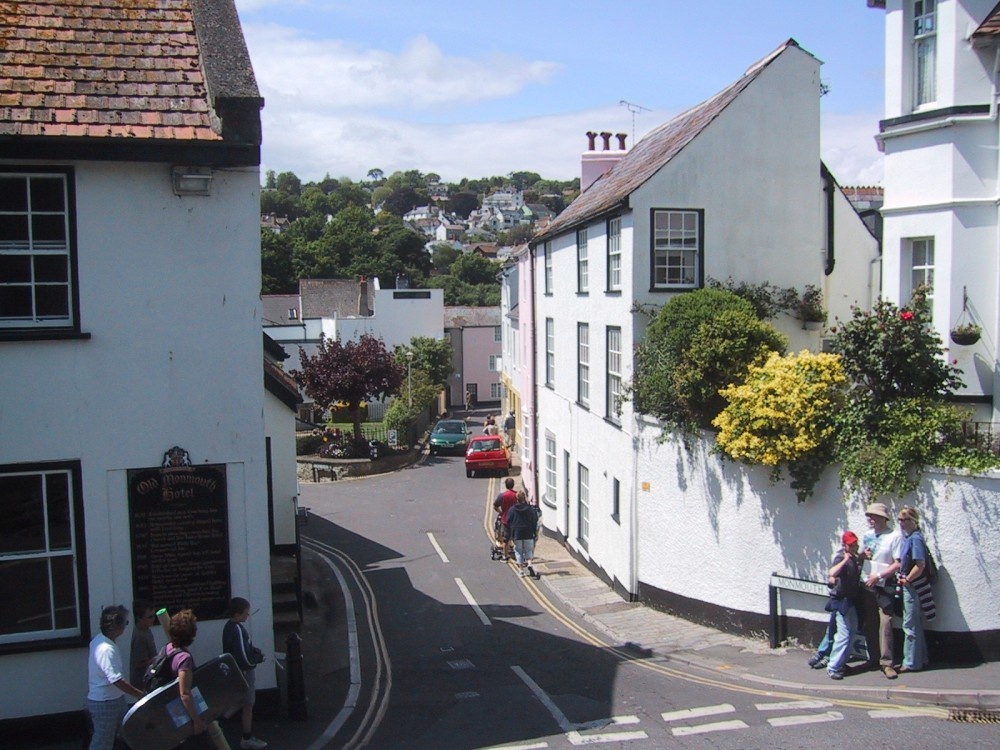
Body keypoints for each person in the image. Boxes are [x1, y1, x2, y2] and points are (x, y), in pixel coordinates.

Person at [167, 609, 232, 750]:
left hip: (175, 714)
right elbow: (185, 693)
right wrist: (196, 721)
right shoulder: (184, 659)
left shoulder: (168, 649)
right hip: (188, 716)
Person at [87, 605, 145, 750]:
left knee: (128, 734)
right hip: (105, 703)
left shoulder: (99, 640)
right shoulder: (106, 649)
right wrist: (139, 694)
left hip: (115, 699)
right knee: (102, 742)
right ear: (117, 626)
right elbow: (117, 680)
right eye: (126, 622)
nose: (126, 626)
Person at [860, 502, 903, 679]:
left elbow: (898, 563)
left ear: (882, 518)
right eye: (868, 516)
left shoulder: (894, 536)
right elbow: (861, 556)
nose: (869, 519)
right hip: (867, 584)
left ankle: (887, 663)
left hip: (884, 585)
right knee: (870, 622)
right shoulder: (868, 535)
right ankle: (873, 658)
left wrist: (878, 576)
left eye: (873, 516)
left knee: (885, 622)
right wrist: (862, 556)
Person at [222, 598, 267, 750]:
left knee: (239, 701)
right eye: (246, 613)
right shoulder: (237, 630)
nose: (248, 616)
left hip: (235, 672)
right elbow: (243, 656)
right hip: (244, 672)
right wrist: (256, 660)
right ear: (237, 614)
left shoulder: (228, 627)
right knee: (248, 704)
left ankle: (218, 722)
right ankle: (246, 738)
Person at [896, 505, 932, 673]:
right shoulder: (909, 538)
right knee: (914, 622)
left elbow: (920, 564)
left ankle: (911, 662)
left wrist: (908, 580)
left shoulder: (915, 539)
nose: (901, 523)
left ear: (913, 520)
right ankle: (920, 659)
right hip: (910, 584)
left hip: (912, 586)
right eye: (899, 520)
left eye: (904, 520)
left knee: (909, 623)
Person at [826, 531, 861, 680]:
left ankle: (841, 663)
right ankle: (833, 667)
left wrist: (861, 556)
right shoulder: (841, 558)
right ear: (844, 545)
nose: (854, 547)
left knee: (852, 631)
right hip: (841, 601)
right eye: (851, 545)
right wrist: (845, 560)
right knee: (844, 634)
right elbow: (832, 572)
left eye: (855, 544)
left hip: (851, 599)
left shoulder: (854, 557)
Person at [506, 490, 540, 577]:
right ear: (525, 498)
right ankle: (529, 564)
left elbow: (508, 520)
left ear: (516, 499)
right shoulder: (530, 509)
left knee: (518, 551)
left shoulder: (512, 509)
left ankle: (521, 571)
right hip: (528, 532)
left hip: (517, 533)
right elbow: (535, 520)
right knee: (528, 550)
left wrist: (511, 532)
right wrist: (534, 531)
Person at [130, 599, 158, 690]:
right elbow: (139, 663)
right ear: (139, 618)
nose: (153, 619)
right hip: (142, 681)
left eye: (154, 616)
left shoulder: (146, 629)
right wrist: (159, 658)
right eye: (150, 617)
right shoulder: (139, 636)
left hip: (150, 677)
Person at [493, 477, 518, 560]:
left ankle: (505, 556)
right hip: (515, 520)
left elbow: (495, 506)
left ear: (506, 485)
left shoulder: (502, 495)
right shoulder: (517, 495)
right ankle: (518, 555)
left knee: (505, 539)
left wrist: (501, 512)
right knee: (516, 538)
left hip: (506, 519)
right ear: (513, 485)